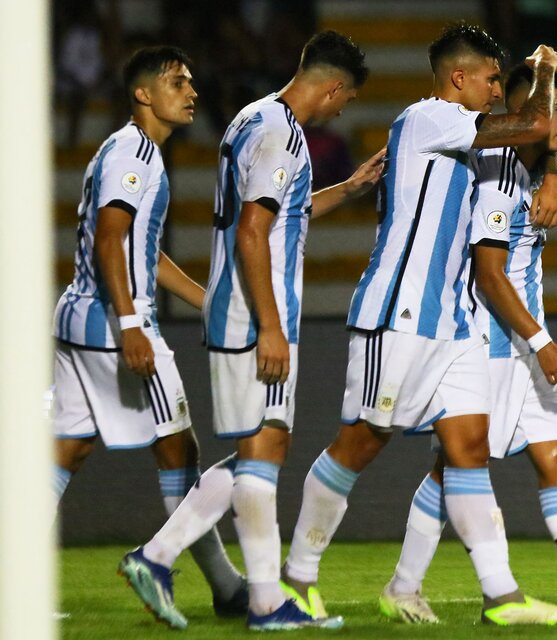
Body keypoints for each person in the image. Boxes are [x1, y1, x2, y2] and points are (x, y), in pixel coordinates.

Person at [278, 23, 557, 626]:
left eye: (503, 79)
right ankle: (295, 580)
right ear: (457, 78)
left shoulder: (469, 136)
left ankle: (502, 596)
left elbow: (536, 143)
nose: (498, 90)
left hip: (452, 322)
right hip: (400, 312)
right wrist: (543, 72)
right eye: (492, 80)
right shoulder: (427, 117)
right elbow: (535, 126)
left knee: (467, 450)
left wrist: (552, 170)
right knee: (362, 442)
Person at [118, 31, 385, 631]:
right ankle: (256, 599)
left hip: (236, 311)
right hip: (250, 316)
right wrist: (270, 325)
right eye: (345, 100)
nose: (342, 111)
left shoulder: (252, 118)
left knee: (258, 451)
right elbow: (251, 232)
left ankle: (167, 561)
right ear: (335, 86)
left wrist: (347, 189)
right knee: (263, 452)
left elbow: (279, 210)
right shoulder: (283, 136)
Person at [376, 63, 557, 625]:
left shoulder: (540, 165)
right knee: (454, 466)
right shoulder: (498, 177)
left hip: (525, 340)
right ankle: (405, 586)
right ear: (525, 114)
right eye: (556, 109)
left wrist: (552, 168)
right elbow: (489, 273)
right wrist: (543, 343)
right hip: (490, 337)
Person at [52, 46, 247, 623]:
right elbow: (110, 239)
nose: (191, 91)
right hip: (113, 325)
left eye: (191, 81)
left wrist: (208, 301)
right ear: (144, 94)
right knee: (179, 452)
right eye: (177, 81)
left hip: (81, 320)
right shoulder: (134, 151)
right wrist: (132, 324)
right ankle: (197, 576)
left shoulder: (133, 152)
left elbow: (143, 251)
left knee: (66, 450)